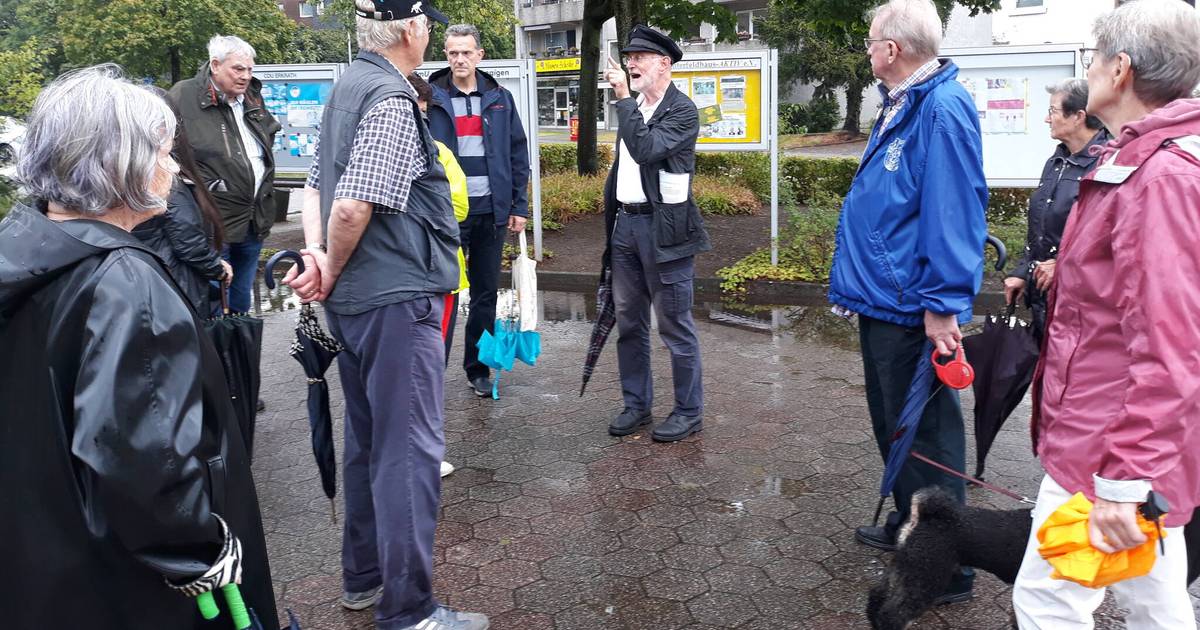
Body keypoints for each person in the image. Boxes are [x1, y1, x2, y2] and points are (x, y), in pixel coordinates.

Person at [0, 65, 276, 629]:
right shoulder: (124, 283)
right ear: (118, 162)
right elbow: (146, 457)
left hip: (54, 564)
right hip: (144, 589)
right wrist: (201, 552)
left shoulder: (29, 251)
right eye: (164, 153)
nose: (173, 169)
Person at [283, 1, 487, 628]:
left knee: (368, 442)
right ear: (413, 29)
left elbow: (314, 185)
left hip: (358, 305)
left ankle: (364, 578)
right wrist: (330, 264)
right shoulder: (394, 100)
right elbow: (351, 206)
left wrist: (317, 257)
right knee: (409, 453)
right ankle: (410, 610)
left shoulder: (348, 86)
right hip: (396, 301)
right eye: (428, 27)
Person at [1013, 1, 1200, 627]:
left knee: (1047, 600)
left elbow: (1173, 346)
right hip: (1125, 437)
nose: (1087, 71)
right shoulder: (1139, 159)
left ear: (1120, 70)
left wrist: (1124, 480)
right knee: (1155, 599)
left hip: (1109, 443)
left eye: (1094, 58)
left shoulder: (1161, 177)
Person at [827, 0, 987, 603]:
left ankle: (947, 568)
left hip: (913, 302)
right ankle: (910, 525)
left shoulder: (942, 106)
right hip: (885, 298)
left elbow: (954, 210)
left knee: (928, 437)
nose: (868, 50)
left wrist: (943, 304)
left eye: (872, 42)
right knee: (895, 425)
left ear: (891, 49)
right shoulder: (906, 101)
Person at [601, 24, 711, 443]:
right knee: (629, 323)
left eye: (639, 58)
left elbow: (646, 150)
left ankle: (688, 412)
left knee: (674, 325)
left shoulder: (682, 111)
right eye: (628, 58)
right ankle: (636, 405)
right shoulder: (636, 108)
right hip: (625, 227)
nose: (631, 64)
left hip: (665, 232)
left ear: (664, 63)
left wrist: (623, 98)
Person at [426, 24, 531, 399]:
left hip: (491, 212)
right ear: (445, 55)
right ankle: (431, 371)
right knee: (443, 294)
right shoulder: (429, 98)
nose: (459, 59)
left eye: (466, 52)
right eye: (453, 53)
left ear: (479, 55)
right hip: (446, 215)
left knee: (486, 294)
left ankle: (478, 369)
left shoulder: (500, 97)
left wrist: (518, 205)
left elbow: (517, 153)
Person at [170, 34, 281, 315]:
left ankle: (240, 342)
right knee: (213, 304)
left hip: (254, 219)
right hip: (212, 224)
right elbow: (166, 151)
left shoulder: (251, 97)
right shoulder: (184, 96)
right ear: (215, 65)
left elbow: (264, 139)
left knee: (241, 302)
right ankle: (217, 344)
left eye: (250, 69)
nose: (245, 76)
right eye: (238, 69)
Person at [1003, 79, 1109, 342]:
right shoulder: (1058, 160)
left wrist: (1062, 265)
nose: (1046, 119)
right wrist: (1023, 272)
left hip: (1081, 306)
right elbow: (1040, 228)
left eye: (1053, 111)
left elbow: (1106, 239)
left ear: (1078, 117)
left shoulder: (1106, 164)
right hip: (1045, 299)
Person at [412, 70, 471, 479]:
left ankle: (426, 451)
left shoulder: (440, 153)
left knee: (432, 366)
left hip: (440, 277)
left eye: (421, 112)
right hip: (408, 280)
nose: (417, 120)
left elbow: (460, 208)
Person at [134, 89, 233, 315]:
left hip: (145, 281)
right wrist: (217, 268)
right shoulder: (162, 172)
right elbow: (187, 240)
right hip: (174, 284)